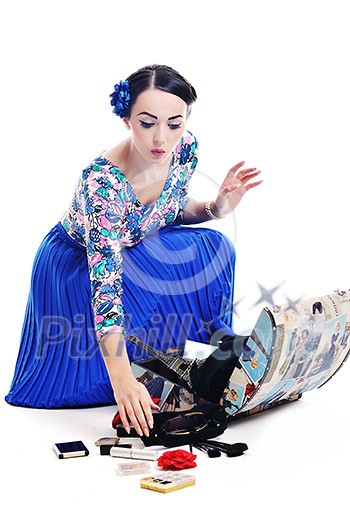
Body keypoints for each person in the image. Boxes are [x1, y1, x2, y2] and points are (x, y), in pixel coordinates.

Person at [5, 64, 262, 437]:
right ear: (126, 118)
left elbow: (169, 210)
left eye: (174, 123)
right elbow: (106, 288)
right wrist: (123, 382)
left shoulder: (185, 149)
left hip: (133, 247)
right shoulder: (102, 184)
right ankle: (126, 368)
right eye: (147, 122)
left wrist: (217, 207)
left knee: (215, 245)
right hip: (77, 266)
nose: (161, 137)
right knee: (105, 360)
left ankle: (215, 348)